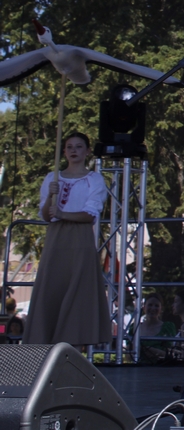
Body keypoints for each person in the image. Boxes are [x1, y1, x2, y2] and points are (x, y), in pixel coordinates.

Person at [24, 132, 112, 348]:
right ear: (63, 151)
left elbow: (90, 214)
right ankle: (46, 340)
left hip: (80, 237)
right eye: (69, 147)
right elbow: (46, 215)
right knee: (52, 286)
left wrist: (63, 213)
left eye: (79, 146)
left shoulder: (93, 179)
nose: (74, 151)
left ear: (87, 151)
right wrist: (50, 198)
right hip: (56, 237)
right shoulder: (53, 178)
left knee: (78, 287)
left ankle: (74, 343)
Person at [136, 293, 177, 363]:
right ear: (144, 307)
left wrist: (146, 349)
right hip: (137, 367)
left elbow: (171, 354)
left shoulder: (167, 327)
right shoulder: (135, 327)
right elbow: (129, 355)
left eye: (156, 306)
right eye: (150, 305)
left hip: (161, 367)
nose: (153, 308)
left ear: (161, 309)